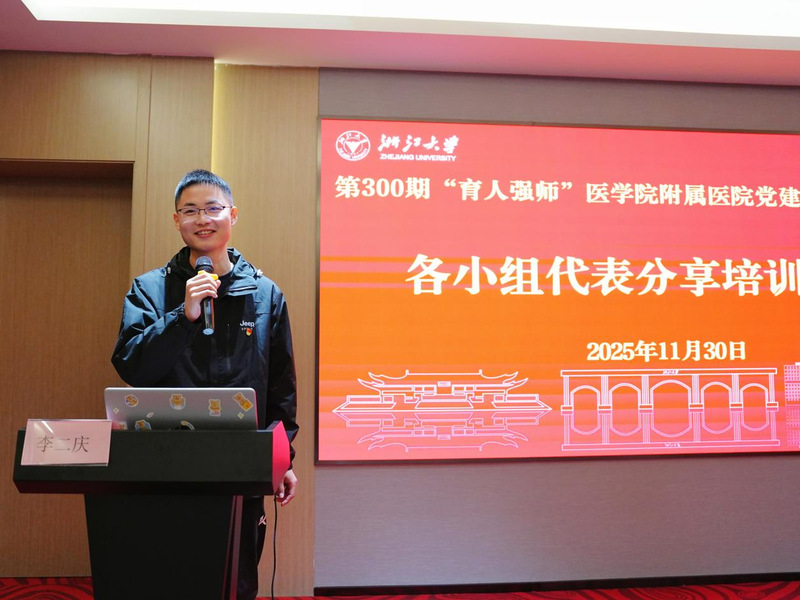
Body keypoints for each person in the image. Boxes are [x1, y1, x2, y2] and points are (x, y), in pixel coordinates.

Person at [111, 169, 298, 600]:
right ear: (176, 220)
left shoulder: (265, 294)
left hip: (241, 463)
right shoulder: (149, 289)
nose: (203, 219)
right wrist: (184, 316)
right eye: (191, 210)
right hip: (165, 462)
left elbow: (281, 388)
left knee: (236, 579)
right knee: (168, 575)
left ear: (233, 215)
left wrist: (283, 457)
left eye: (213, 208)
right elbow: (132, 367)